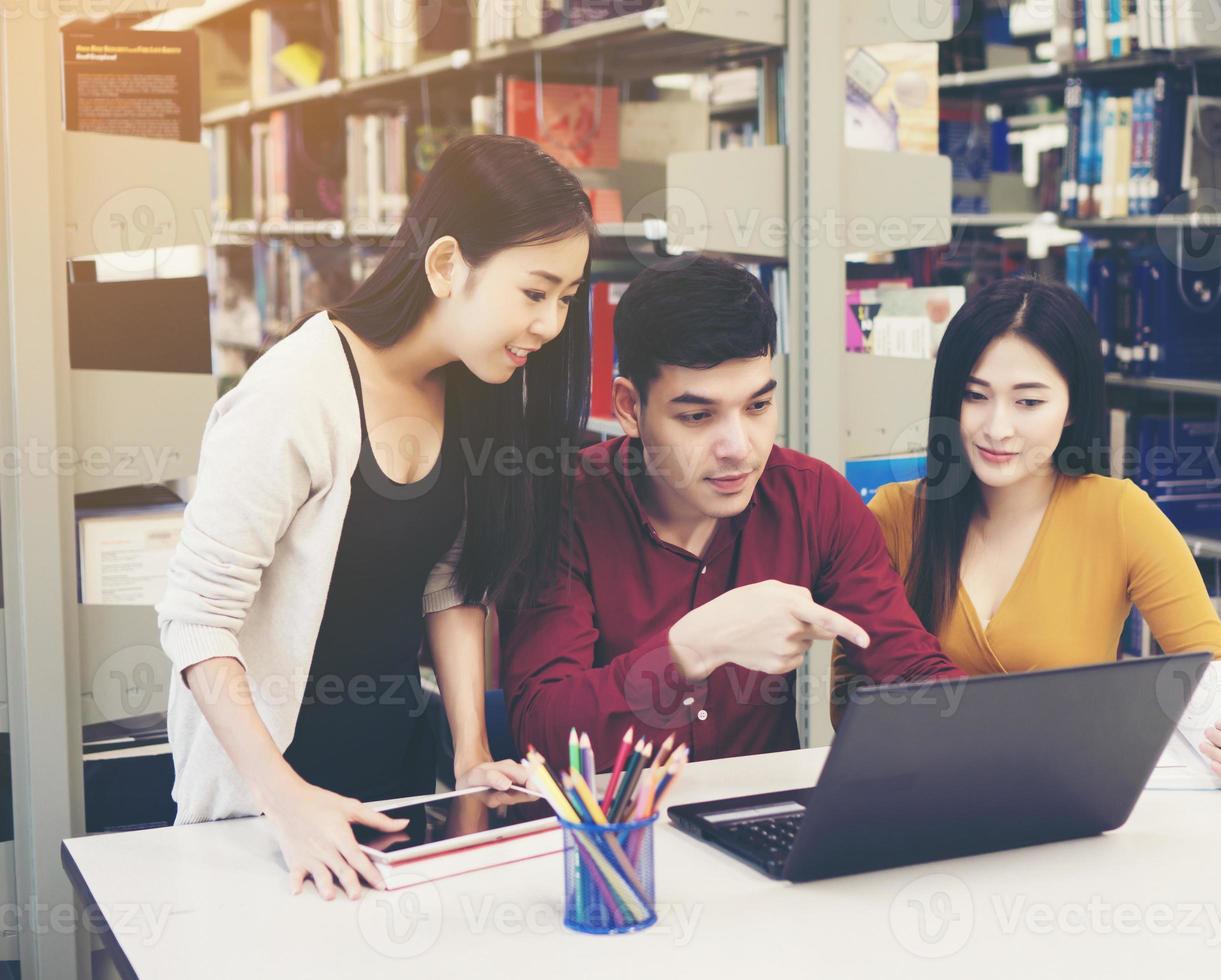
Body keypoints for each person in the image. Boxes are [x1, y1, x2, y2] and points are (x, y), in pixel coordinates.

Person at [156, 135, 594, 899]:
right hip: (269, 805)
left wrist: (469, 758)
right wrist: (284, 798)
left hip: (398, 781)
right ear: (448, 264)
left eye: (567, 297)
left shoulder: (472, 384)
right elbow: (196, 620)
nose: (552, 324)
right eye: (535, 292)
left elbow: (450, 582)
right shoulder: (296, 394)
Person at [500, 255, 963, 771]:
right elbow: (541, 728)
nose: (739, 448)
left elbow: (908, 667)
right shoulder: (565, 505)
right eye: (698, 416)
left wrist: (1010, 734)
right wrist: (691, 648)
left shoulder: (816, 500)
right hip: (611, 837)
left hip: (753, 829)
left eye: (758, 407)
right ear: (630, 408)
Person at [833, 276, 1221, 789]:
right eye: (974, 396)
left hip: (1067, 803)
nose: (997, 428)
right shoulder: (897, 513)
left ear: (1071, 408)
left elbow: (1218, 673)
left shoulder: (1119, 514)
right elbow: (848, 699)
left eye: (1029, 402)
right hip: (919, 796)